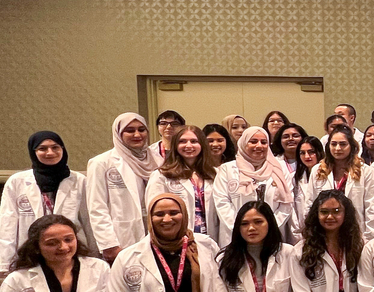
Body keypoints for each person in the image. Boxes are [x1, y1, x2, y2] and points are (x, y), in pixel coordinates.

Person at [0, 131, 90, 276]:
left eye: (55, 147)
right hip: (31, 251)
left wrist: (94, 256)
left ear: (63, 149)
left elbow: (88, 221)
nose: (50, 152)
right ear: (33, 151)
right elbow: (7, 224)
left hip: (69, 250)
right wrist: (4, 263)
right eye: (42, 148)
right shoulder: (17, 181)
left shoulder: (79, 180)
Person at [88, 113, 161, 263]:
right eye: (130, 130)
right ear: (118, 133)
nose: (137, 134)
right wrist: (109, 244)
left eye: (142, 129)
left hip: (156, 233)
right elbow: (96, 207)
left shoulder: (158, 160)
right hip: (122, 238)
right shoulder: (102, 163)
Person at [213, 127, 295, 248]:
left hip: (272, 235)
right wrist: (242, 228)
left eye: (263, 142)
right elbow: (222, 203)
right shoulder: (227, 169)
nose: (259, 146)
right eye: (253, 141)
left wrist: (268, 228)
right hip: (234, 236)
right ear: (243, 143)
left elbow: (287, 203)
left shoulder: (280, 169)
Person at [306, 125, 374, 241]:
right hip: (324, 232)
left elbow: (371, 208)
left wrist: (370, 239)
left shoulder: (365, 171)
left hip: (356, 233)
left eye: (343, 144)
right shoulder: (318, 170)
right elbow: (309, 204)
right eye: (333, 144)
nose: (337, 148)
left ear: (351, 146)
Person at [146, 125, 220, 243]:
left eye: (194, 141)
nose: (188, 146)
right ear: (175, 145)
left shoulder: (215, 174)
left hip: (211, 238)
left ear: (202, 145)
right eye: (182, 141)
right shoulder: (161, 175)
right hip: (177, 239)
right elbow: (155, 212)